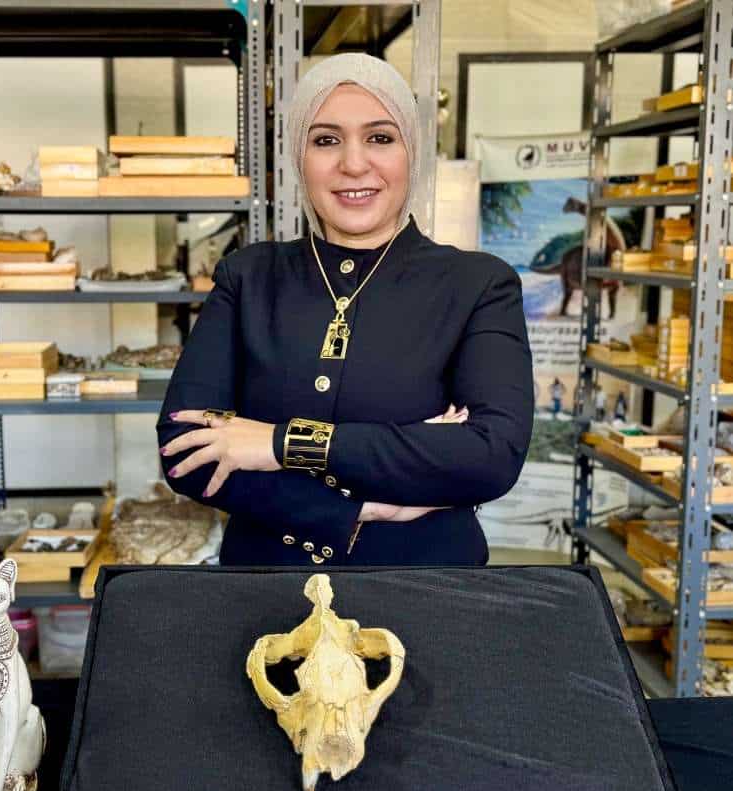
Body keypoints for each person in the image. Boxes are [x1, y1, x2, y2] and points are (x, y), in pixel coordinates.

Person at [156, 53, 534, 566]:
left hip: (429, 593)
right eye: (326, 139)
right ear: (299, 157)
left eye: (380, 137)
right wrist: (361, 507)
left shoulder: (478, 284)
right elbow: (185, 447)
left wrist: (277, 443)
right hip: (267, 591)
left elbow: (492, 457)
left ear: (412, 152)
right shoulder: (247, 277)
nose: (354, 164)